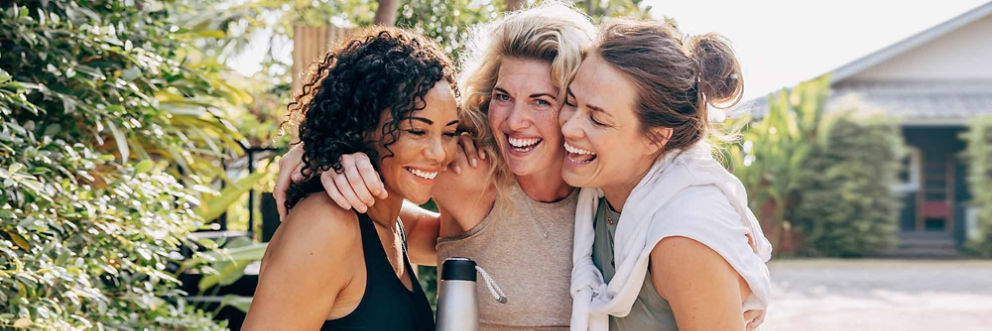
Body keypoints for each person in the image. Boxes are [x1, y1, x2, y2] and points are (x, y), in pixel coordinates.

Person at [242, 27, 463, 330]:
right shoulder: (326, 225)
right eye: (417, 130)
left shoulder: (390, 221)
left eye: (449, 133)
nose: (438, 152)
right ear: (362, 126)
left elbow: (462, 238)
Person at [564, 19, 772, 331]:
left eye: (597, 119)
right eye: (570, 102)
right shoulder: (602, 196)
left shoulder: (684, 234)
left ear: (656, 137)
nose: (569, 127)